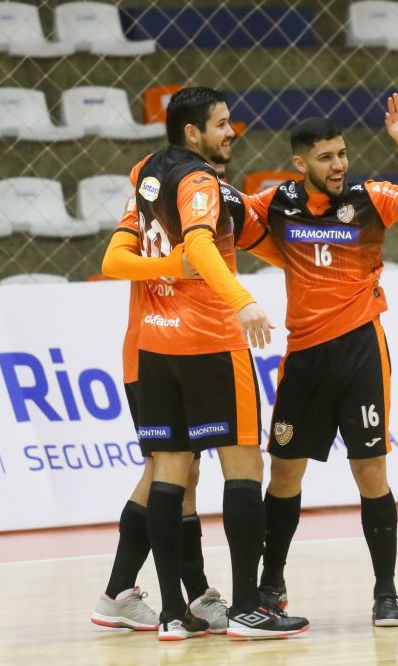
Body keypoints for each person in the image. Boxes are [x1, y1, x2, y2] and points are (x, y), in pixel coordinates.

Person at [101, 86, 308, 640]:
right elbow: (197, 246)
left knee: (172, 470)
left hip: (153, 344)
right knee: (238, 466)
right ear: (193, 133)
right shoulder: (200, 182)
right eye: (221, 123)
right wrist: (240, 299)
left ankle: (176, 610)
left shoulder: (147, 173)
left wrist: (167, 264)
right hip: (208, 340)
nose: (231, 131)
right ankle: (245, 608)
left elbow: (117, 258)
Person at [247, 91, 398, 627]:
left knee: (370, 470)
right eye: (325, 157)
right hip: (304, 357)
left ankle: (386, 591)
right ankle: (272, 584)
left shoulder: (372, 196)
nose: (339, 165)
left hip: (361, 350)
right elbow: (228, 226)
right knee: (285, 474)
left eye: (342, 153)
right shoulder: (275, 204)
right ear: (300, 163)